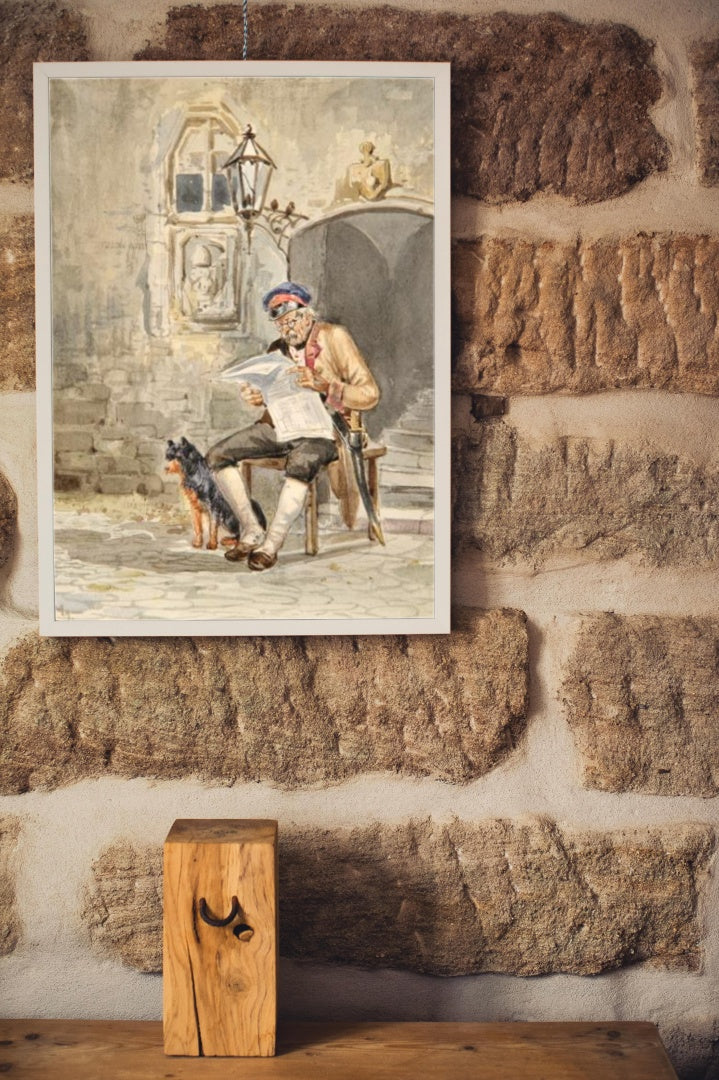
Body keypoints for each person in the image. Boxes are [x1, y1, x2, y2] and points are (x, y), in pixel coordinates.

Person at [207, 281, 380, 571]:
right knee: (217, 455)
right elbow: (275, 396)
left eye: (294, 319)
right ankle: (252, 531)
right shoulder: (276, 349)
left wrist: (325, 385)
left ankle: (271, 545)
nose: (288, 328)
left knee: (300, 463)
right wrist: (257, 397)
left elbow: (369, 393)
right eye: (281, 323)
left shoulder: (334, 337)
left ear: (308, 314)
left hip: (324, 430)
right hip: (280, 426)